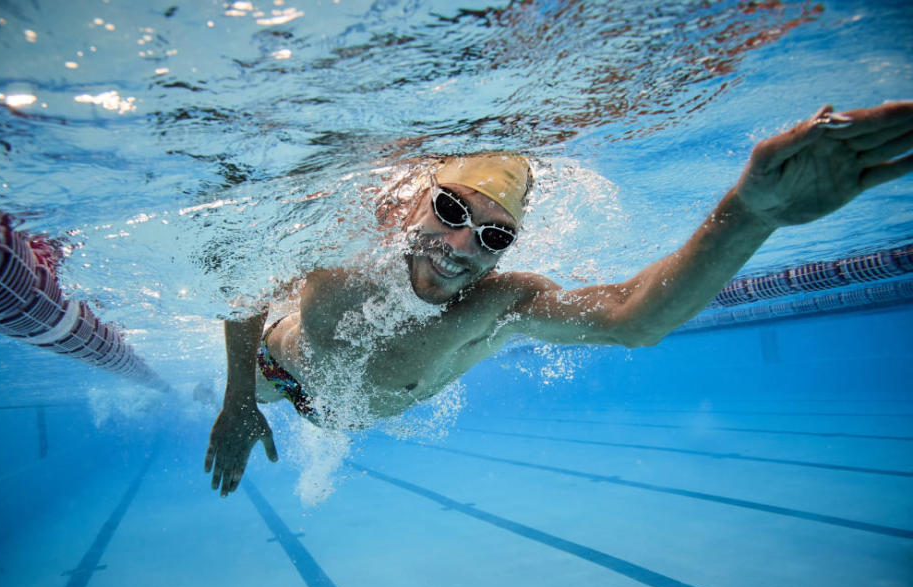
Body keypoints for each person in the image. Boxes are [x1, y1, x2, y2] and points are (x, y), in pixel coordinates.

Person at [205, 102, 913, 497]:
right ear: (411, 201)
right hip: (275, 376)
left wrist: (751, 212)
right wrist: (237, 401)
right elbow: (238, 281)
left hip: (345, 411)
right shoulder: (340, 251)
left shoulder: (500, 303)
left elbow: (632, 318)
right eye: (450, 209)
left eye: (492, 235)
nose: (461, 250)